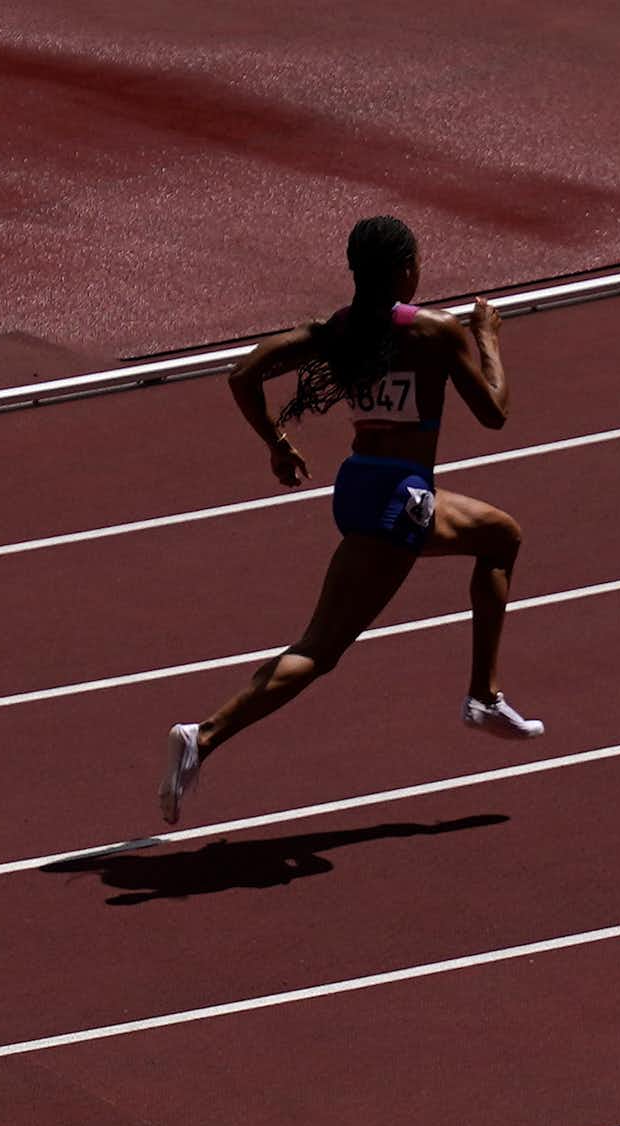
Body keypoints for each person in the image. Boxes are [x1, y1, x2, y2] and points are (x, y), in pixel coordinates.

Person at [158, 215, 542, 825]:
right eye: (415, 262)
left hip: (361, 484)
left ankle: (484, 696)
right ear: (401, 271)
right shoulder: (437, 332)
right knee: (320, 649)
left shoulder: (336, 331)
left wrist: (277, 443)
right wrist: (488, 335)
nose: (421, 271)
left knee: (501, 535)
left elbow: (243, 374)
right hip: (401, 502)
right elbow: (494, 413)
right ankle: (201, 737)